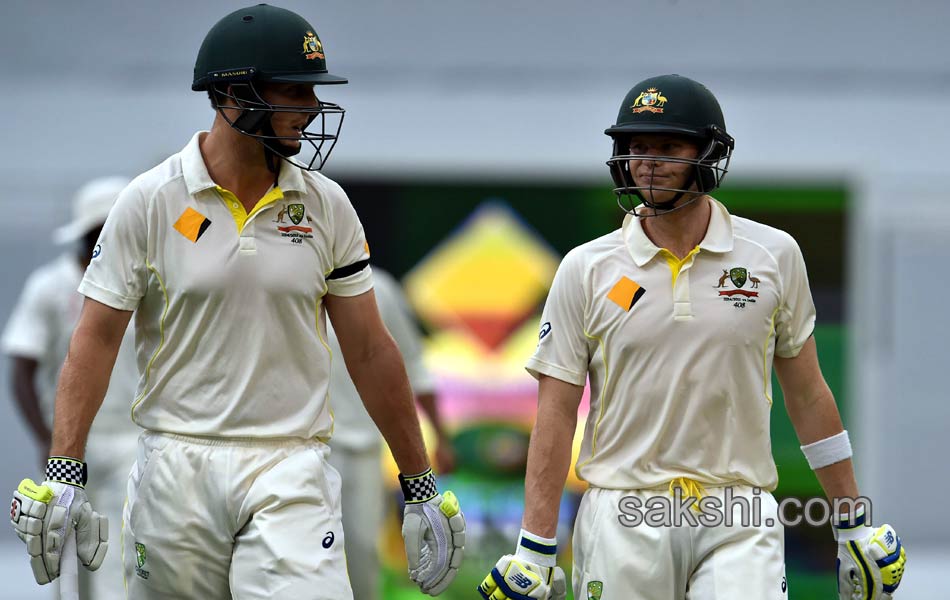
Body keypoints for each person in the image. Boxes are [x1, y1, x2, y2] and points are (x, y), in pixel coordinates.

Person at [9, 5, 464, 599]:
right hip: (175, 464)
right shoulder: (149, 201)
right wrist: (65, 470)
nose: (310, 108)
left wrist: (419, 481)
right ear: (230, 94)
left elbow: (372, 350)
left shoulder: (327, 207)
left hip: (291, 464)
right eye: (293, 90)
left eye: (312, 91)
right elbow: (93, 341)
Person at [478, 74, 906, 600]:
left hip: (738, 511)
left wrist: (852, 523)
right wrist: (535, 549)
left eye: (667, 147)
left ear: (708, 155)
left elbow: (809, 394)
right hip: (623, 511)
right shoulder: (585, 269)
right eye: (637, 147)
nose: (648, 162)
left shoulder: (773, 256)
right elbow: (557, 412)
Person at [3, 176, 139, 600]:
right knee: (62, 557)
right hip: (68, 445)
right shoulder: (49, 286)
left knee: (116, 552)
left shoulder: (148, 283)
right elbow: (22, 366)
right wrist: (48, 438)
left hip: (132, 441)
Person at [327, 266, 456, 600]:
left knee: (361, 556)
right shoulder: (286, 274)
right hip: (291, 447)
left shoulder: (378, 288)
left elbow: (412, 366)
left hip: (359, 450)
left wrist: (439, 441)